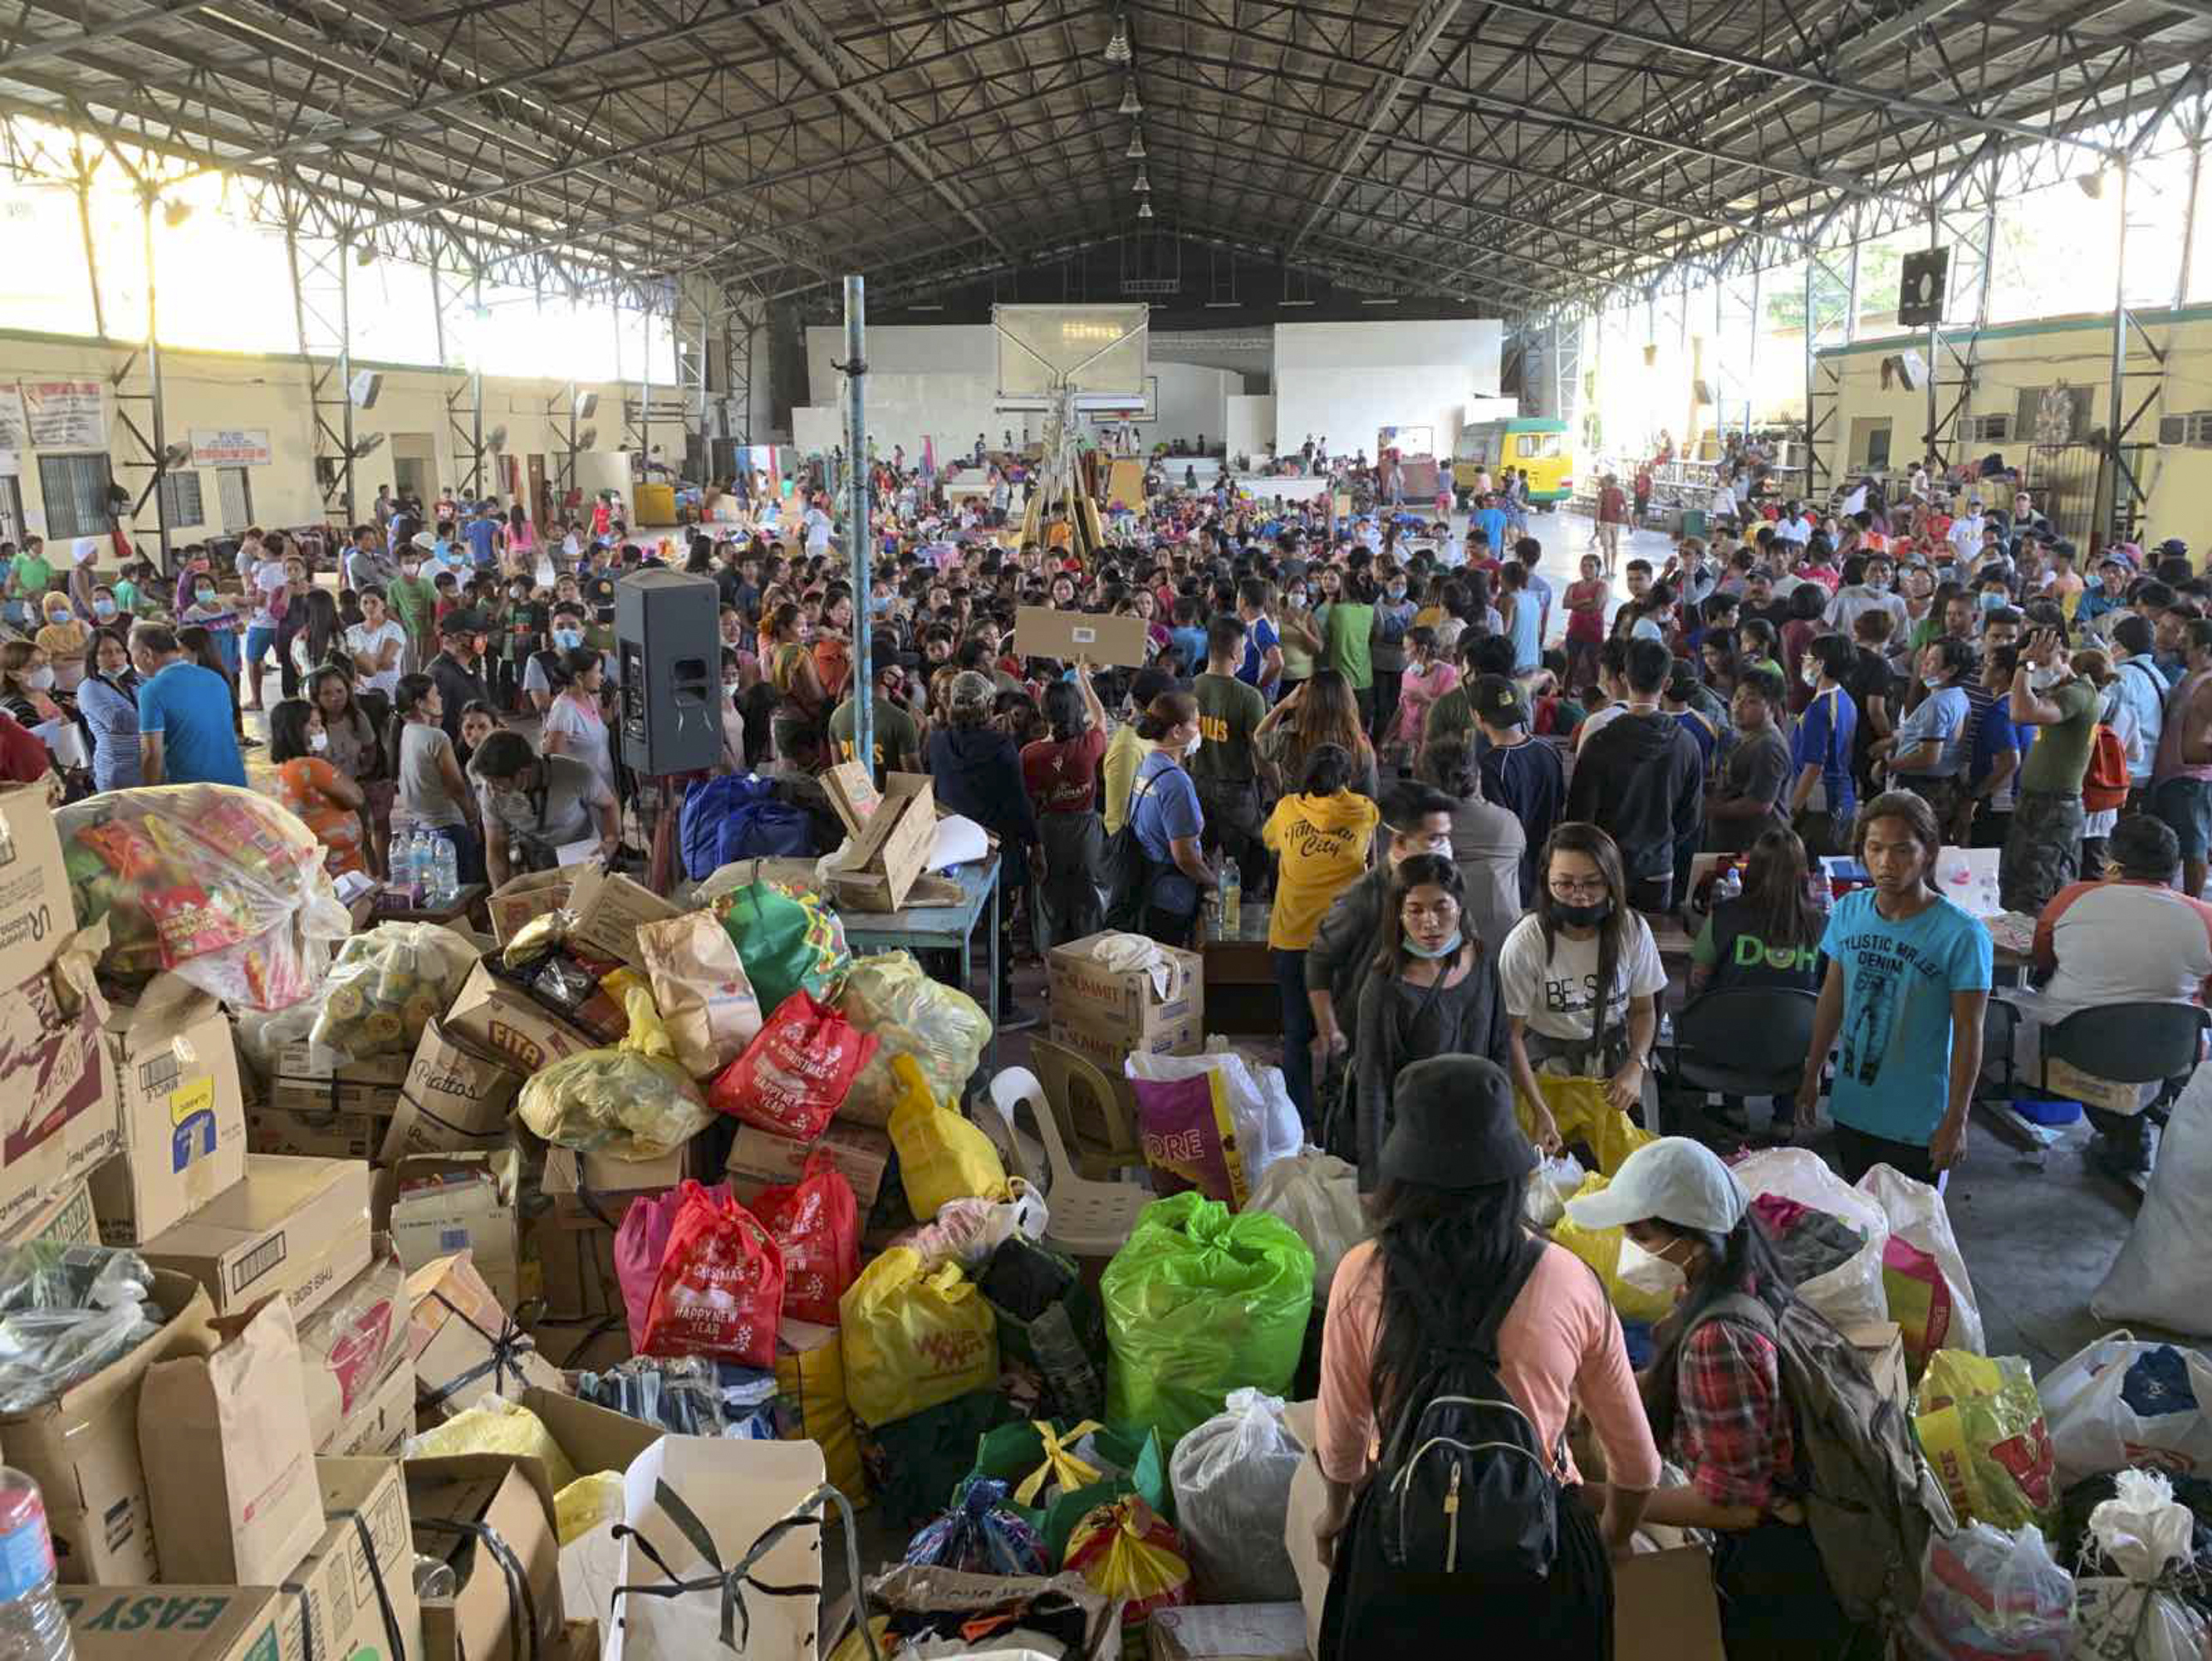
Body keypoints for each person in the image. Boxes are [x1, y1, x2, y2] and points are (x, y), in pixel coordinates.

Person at [1314, 1057, 1657, 1658]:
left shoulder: (1362, 1274)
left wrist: (1335, 1515)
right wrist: (1616, 1537)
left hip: (1403, 1544)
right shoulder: (1568, 1278)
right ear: (1510, 1174)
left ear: (1401, 1175)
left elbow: (1343, 1442)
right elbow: (1636, 1465)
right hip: (1540, 1554)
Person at [1564, 1139, 1867, 1657]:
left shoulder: (1719, 1339)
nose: (1627, 1244)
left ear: (1695, 1241)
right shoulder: (1737, 1281)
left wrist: (1597, 1498)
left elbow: (1733, 1507)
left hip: (1779, 1575)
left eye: (1639, 1233)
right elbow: (1686, 1388)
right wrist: (1594, 1397)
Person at [1800, 791, 1990, 1182]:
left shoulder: (1962, 934)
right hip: (1854, 1107)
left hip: (1919, 1120)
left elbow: (1970, 1032)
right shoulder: (1850, 911)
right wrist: (1812, 1071)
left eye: (1903, 850)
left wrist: (1956, 1119)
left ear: (1928, 852)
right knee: (1861, 1220)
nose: (1886, 862)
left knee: (1913, 1233)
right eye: (1875, 848)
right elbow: (1832, 999)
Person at [2014, 815, 2212, 1176]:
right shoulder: (2205, 917)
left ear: (2112, 862)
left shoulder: (2071, 899)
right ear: (2175, 866)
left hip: (2076, 1047)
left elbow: (2043, 960)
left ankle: (2120, 1132)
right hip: (2170, 1053)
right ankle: (2130, 1133)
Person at [1499, 823, 1666, 1156]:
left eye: (1592, 883)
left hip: (1614, 1066)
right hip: (1548, 1071)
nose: (1579, 894)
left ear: (1612, 882)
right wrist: (1538, 1108)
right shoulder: (1526, 942)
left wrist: (1637, 1065)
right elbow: (1512, 1035)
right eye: (1564, 884)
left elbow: (1643, 1009)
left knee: (1630, 1171)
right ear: (1546, 883)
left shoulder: (1631, 929)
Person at [1349, 855, 1507, 1185]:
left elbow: (1499, 1048)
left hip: (1477, 1134)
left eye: (1441, 908)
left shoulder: (1483, 960)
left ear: (1460, 909)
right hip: (1413, 1146)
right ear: (1399, 915)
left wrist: (1502, 1131)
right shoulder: (1385, 986)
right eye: (1415, 910)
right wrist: (1371, 1177)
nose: (1430, 922)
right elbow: (1372, 1084)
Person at [1263, 744, 1381, 1124]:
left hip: (1292, 936)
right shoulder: (1364, 811)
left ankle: (1301, 1119)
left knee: (1296, 1032)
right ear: (1347, 779)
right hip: (1344, 939)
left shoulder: (1285, 810)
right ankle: (1340, 1113)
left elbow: (1271, 842)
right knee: (1343, 1028)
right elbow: (1372, 864)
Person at [929, 670, 1040, 1026]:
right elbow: (1018, 805)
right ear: (989, 705)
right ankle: (1003, 1006)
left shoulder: (937, 743)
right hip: (996, 853)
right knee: (1000, 931)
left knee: (951, 930)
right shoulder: (1001, 749)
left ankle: (951, 1005)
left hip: (951, 850)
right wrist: (1036, 844)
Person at [1565, 639, 1704, 914]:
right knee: (1647, 950)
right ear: (1666, 684)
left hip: (1605, 868)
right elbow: (1690, 819)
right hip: (1658, 869)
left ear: (1625, 678)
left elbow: (1580, 816)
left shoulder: (1600, 742)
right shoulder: (1687, 744)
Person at [2001, 623, 2097, 915]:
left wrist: (2024, 664)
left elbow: (2020, 713)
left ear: (2064, 655)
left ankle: (2040, 959)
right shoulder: (2056, 691)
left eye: (2043, 662)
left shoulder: (2079, 693)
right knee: (2016, 888)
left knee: (2040, 894)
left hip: (2055, 810)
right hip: (2034, 803)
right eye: (2034, 662)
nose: (2036, 669)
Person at [1022, 665, 1109, 953]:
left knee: (1050, 905)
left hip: (1047, 833)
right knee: (1087, 901)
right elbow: (1100, 719)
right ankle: (1088, 974)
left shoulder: (1030, 754)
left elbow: (1027, 802)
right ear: (1076, 710)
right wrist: (1083, 676)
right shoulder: (1087, 746)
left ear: (1042, 712)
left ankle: (1054, 976)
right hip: (1085, 831)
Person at [1120, 690, 1217, 948]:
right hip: (1171, 895)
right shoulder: (1176, 782)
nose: (1198, 730)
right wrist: (1212, 881)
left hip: (1149, 885)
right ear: (1176, 731)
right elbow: (1184, 856)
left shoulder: (1148, 764)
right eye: (1194, 724)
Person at [1415, 733, 1524, 958]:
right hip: (1509, 942)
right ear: (1477, 776)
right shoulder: (1509, 823)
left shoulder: (1422, 831)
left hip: (1446, 947)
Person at [470, 728, 619, 887]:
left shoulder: (576, 774)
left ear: (523, 773)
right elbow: (496, 849)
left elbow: (609, 805)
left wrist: (611, 840)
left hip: (581, 860)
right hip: (536, 867)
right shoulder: (489, 792)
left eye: (497, 784)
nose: (491, 790)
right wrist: (499, 895)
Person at [1469, 675, 1564, 903]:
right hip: (1553, 867)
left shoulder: (1491, 767)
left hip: (1516, 878)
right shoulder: (1549, 749)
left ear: (1478, 716)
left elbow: (1499, 834)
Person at [1191, 615, 1267, 887]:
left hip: (1198, 783)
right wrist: (1276, 783)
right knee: (1245, 860)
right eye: (1244, 647)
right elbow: (1261, 751)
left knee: (1203, 853)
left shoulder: (1192, 686)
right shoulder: (1249, 697)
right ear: (1236, 652)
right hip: (1237, 792)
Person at [389, 673, 484, 883]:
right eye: (435, 694)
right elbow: (456, 787)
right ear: (420, 703)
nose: (440, 699)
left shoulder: (405, 732)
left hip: (420, 831)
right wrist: (472, 821)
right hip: (448, 830)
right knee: (465, 891)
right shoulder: (436, 737)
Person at [130, 622, 244, 788]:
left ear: (147, 654)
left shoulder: (152, 691)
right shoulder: (214, 678)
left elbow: (153, 755)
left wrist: (149, 797)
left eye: (131, 652)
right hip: (234, 782)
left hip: (194, 790)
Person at [267, 698, 367, 876]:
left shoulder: (286, 768)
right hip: (339, 871)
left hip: (318, 867)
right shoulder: (310, 766)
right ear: (295, 731)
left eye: (320, 724)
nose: (321, 730)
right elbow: (357, 797)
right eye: (313, 725)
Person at [2151, 617, 2212, 900]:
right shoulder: (2187, 677)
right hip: (2172, 777)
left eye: (2185, 643)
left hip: (2191, 780)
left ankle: (2195, 906)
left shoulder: (2209, 684)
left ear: (2205, 649)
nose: (2178, 646)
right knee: (2174, 847)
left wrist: (2200, 757)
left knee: (2193, 848)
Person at [313, 665, 390, 875]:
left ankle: (378, 876)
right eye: (326, 693)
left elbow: (371, 747)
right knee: (342, 838)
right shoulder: (314, 724)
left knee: (366, 831)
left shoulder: (357, 718)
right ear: (316, 696)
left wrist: (362, 773)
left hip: (356, 786)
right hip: (328, 793)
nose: (335, 698)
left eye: (340, 691)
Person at [1257, 669, 1379, 802]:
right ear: (1349, 703)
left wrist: (1282, 706)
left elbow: (1261, 737)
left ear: (1309, 701)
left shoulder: (1291, 735)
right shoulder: (1360, 746)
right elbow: (1370, 795)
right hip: (1340, 820)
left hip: (1297, 816)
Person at [1708, 666, 1792, 850]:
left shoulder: (1769, 745)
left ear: (1771, 706)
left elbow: (1759, 804)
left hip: (1756, 848)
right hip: (1736, 842)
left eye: (1751, 701)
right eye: (1737, 697)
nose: (1738, 706)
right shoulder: (1746, 736)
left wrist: (1709, 809)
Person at [541, 646, 617, 800]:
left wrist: (620, 701)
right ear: (578, 677)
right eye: (597, 672)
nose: (602, 677)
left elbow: (602, 722)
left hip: (602, 788)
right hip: (582, 799)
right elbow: (553, 761)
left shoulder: (588, 698)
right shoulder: (564, 710)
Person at [76, 628, 141, 792]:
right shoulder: (89, 687)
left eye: (119, 651)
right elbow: (119, 722)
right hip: (117, 771)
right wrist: (161, 715)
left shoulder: (135, 681)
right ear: (93, 658)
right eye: (105, 653)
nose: (114, 657)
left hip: (144, 764)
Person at [426, 612, 492, 746]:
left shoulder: (470, 669)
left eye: (485, 635)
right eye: (478, 635)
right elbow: (433, 730)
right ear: (456, 638)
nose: (484, 640)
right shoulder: (439, 674)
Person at [36, 592, 88, 694]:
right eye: (53, 610)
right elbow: (51, 664)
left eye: (63, 608)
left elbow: (92, 653)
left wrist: (62, 656)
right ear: (46, 612)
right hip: (63, 689)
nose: (59, 612)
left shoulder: (82, 626)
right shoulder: (43, 635)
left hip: (88, 684)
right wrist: (81, 657)